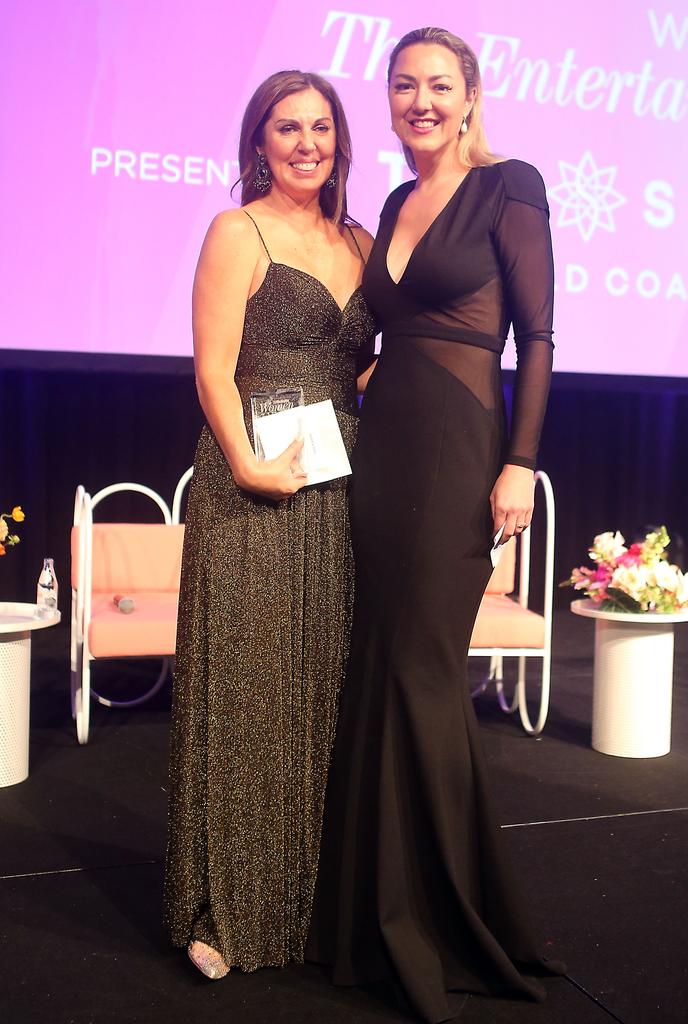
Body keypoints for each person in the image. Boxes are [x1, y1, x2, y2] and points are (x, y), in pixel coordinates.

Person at [307, 27, 563, 1022]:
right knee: (384, 666)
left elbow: (537, 336)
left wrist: (520, 462)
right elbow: (388, 333)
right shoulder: (391, 202)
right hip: (387, 448)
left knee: (421, 670)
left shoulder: (513, 184)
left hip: (464, 446)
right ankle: (375, 912)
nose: (420, 98)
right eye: (404, 84)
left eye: (439, 84)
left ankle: (445, 921)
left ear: (470, 95)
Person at [163, 70, 375, 980]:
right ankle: (222, 904)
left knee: (323, 690)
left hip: (340, 482)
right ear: (259, 142)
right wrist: (249, 462)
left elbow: (363, 362)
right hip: (251, 482)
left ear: (339, 142)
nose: (304, 144)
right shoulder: (235, 230)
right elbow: (212, 368)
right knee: (245, 687)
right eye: (286, 128)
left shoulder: (363, 239)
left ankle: (311, 901)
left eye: (320, 128)